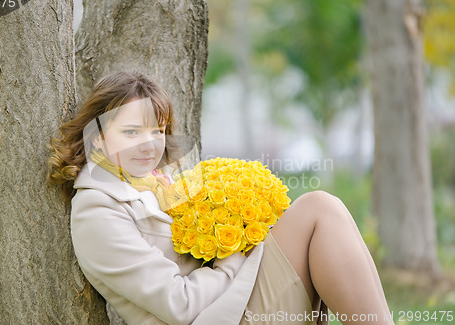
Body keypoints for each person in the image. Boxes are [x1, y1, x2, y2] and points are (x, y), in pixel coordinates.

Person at [47, 70, 393, 325]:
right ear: (98, 138)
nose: (149, 144)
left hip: (234, 300)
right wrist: (235, 252)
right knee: (319, 208)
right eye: (131, 132)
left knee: (321, 209)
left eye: (157, 131)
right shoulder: (97, 209)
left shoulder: (155, 183)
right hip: (217, 316)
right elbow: (178, 305)